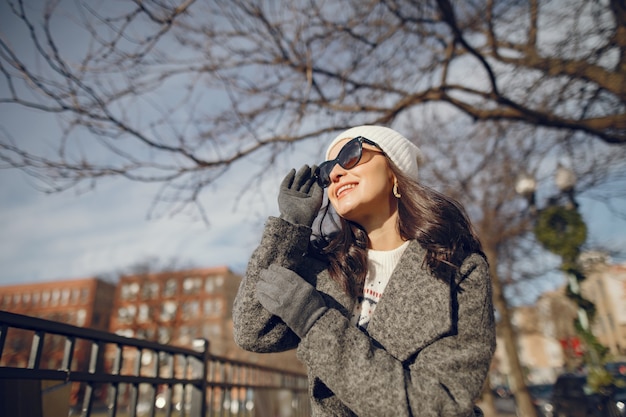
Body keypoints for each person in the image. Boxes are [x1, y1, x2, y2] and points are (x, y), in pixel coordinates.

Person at [233, 125, 496, 417]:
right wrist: (290, 229)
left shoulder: (459, 270)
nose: (334, 174)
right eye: (326, 170)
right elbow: (252, 330)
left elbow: (438, 406)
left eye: (350, 154)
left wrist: (315, 321)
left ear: (396, 171)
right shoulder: (330, 268)